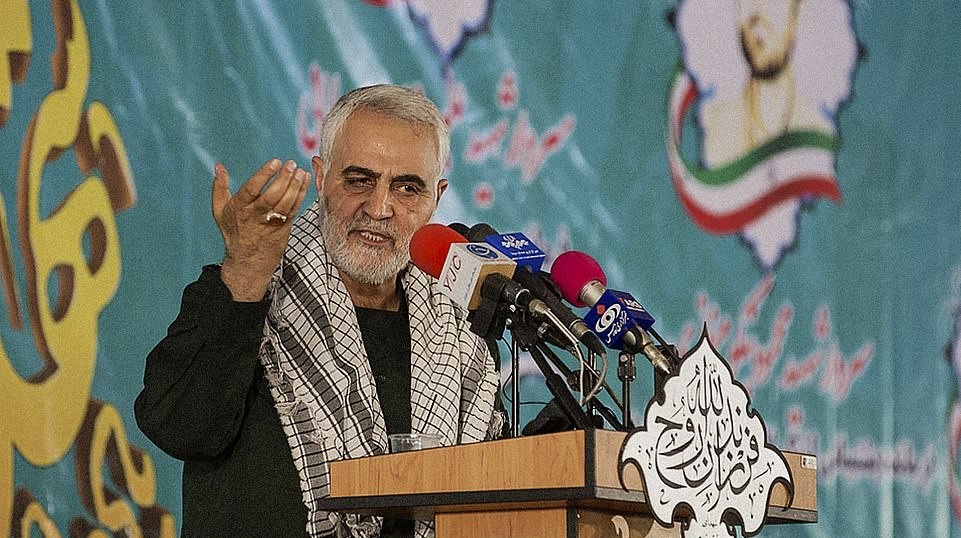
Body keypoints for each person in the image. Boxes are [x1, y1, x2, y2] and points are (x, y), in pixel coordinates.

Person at [135, 84, 505, 538]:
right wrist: (246, 271)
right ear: (322, 176)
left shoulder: (461, 332)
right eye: (359, 180)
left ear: (437, 197)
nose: (379, 208)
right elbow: (179, 428)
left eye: (407, 187)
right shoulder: (246, 293)